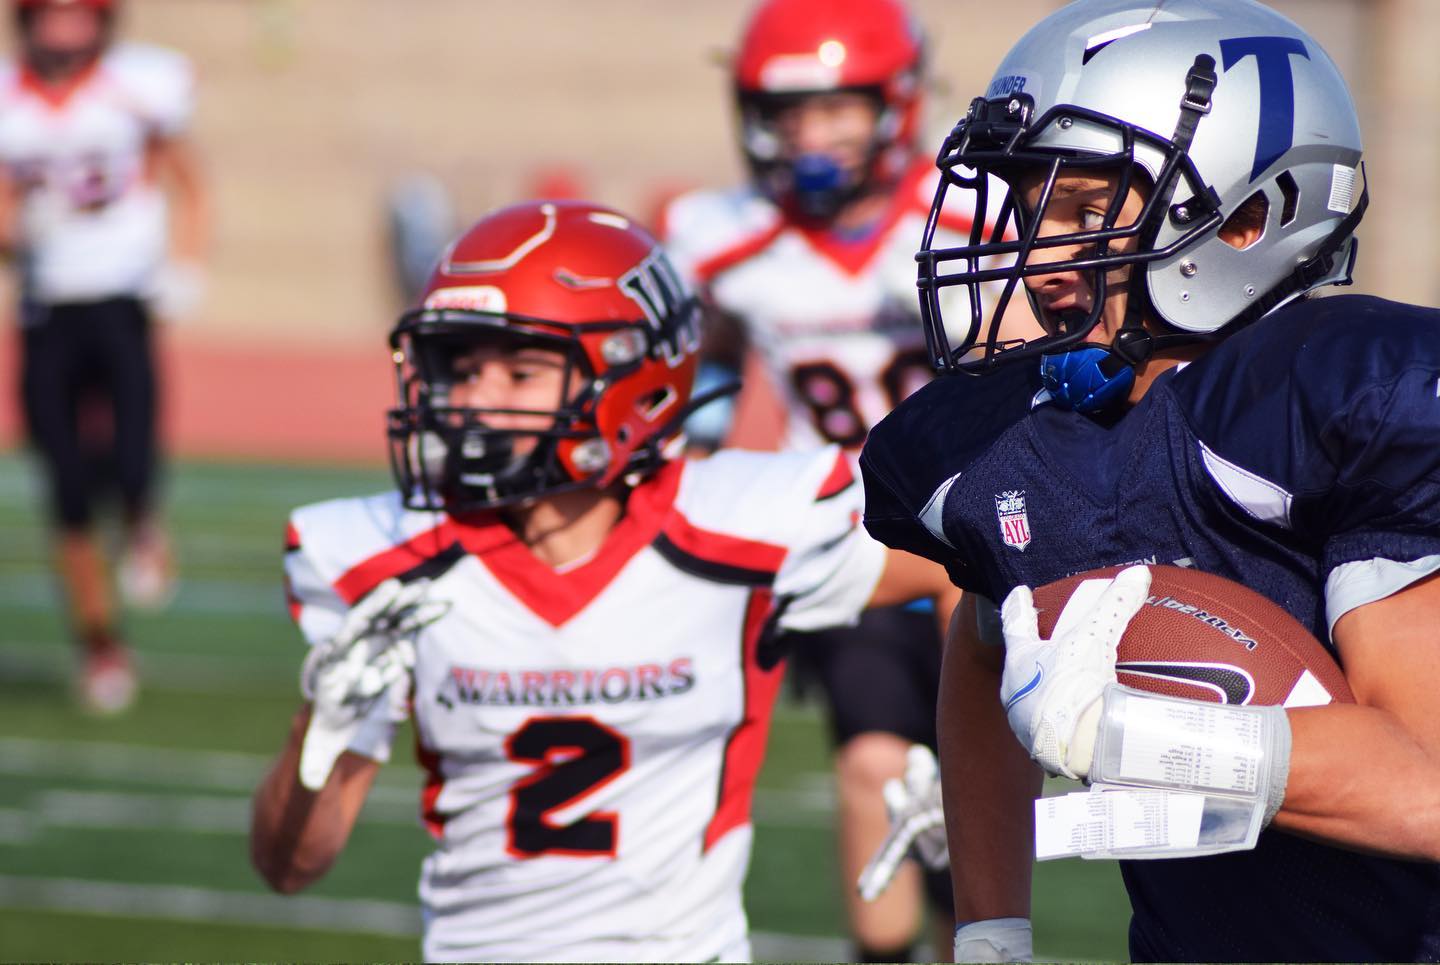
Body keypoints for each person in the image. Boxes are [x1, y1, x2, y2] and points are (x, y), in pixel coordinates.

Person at [859, 0, 1440, 960]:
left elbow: (1426, 786)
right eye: (1031, 210)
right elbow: (988, 640)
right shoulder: (1027, 438)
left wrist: (1131, 735)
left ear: (1248, 217)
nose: (1042, 256)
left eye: (1088, 213)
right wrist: (990, 927)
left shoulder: (1348, 398)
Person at [249, 200, 960, 963]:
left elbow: (969, 550)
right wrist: (317, 732)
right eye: (462, 370)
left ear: (630, 375)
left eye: (520, 372)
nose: (475, 401)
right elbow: (289, 866)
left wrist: (969, 756)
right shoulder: (383, 554)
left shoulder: (741, 520)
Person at [661, 1, 1017, 955]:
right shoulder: (726, 238)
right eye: (789, 113)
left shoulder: (970, 214)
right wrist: (692, 468)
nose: (809, 136)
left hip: (975, 531)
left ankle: (975, 936)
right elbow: (706, 365)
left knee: (974, 784)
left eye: (834, 109)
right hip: (848, 532)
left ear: (893, 105)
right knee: (873, 766)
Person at [0, 0, 209, 712]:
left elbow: (188, 176)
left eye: (77, 15)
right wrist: (12, 229)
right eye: (51, 16)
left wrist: (186, 265)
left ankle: (143, 524)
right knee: (65, 489)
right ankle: (99, 645)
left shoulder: (138, 84)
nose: (64, 31)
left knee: (132, 459)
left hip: (121, 298)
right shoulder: (9, 100)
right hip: (45, 307)